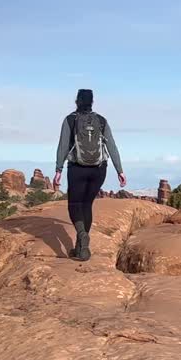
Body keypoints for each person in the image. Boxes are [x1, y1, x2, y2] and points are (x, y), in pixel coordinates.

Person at [53, 89, 125, 261]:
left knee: (75, 204)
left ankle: (82, 236)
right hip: (99, 169)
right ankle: (81, 249)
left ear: (77, 101)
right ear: (92, 102)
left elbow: (63, 146)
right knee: (87, 205)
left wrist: (58, 169)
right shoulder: (101, 121)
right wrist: (120, 170)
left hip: (77, 168)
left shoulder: (70, 119)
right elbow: (112, 147)